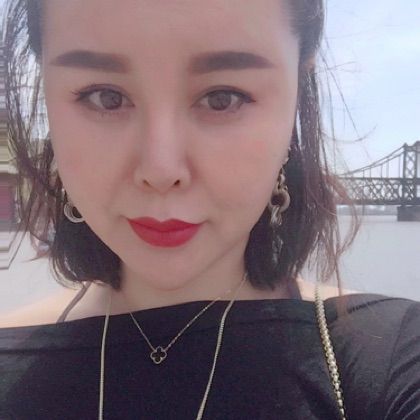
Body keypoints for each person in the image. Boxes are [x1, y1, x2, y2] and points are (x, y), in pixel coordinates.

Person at [1, 0, 419, 419]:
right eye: (106, 98)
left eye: (222, 98)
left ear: (296, 93)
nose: (161, 171)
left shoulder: (391, 359)